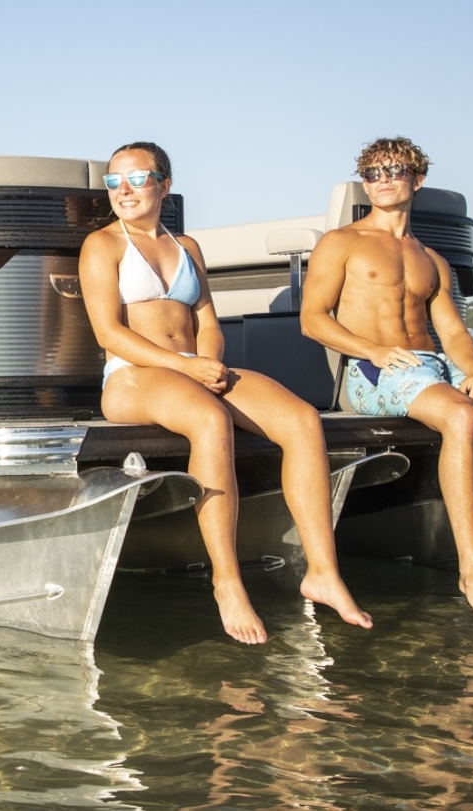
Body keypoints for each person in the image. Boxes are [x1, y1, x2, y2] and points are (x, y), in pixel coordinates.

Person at [79, 141, 371, 644]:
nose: (123, 190)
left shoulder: (187, 247)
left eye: (137, 178)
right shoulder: (102, 245)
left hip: (191, 368)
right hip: (132, 376)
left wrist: (207, 363)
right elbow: (109, 333)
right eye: (113, 181)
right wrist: (184, 366)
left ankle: (323, 572)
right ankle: (228, 582)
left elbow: (208, 321)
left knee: (301, 419)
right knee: (210, 421)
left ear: (164, 185)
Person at [300, 136, 473, 621]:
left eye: (394, 171)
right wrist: (373, 350)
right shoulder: (341, 243)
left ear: (417, 180)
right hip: (374, 371)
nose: (382, 180)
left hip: (436, 367)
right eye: (373, 173)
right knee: (462, 415)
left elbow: (453, 331)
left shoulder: (433, 259)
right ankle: (471, 569)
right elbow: (312, 320)